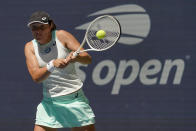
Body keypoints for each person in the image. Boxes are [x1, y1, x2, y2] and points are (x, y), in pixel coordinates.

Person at [24, 11, 96, 131]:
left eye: (42, 27)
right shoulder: (30, 47)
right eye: (34, 28)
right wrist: (52, 64)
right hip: (50, 103)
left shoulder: (61, 36)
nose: (38, 31)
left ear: (50, 25)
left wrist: (77, 57)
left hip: (75, 100)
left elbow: (87, 59)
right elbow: (36, 77)